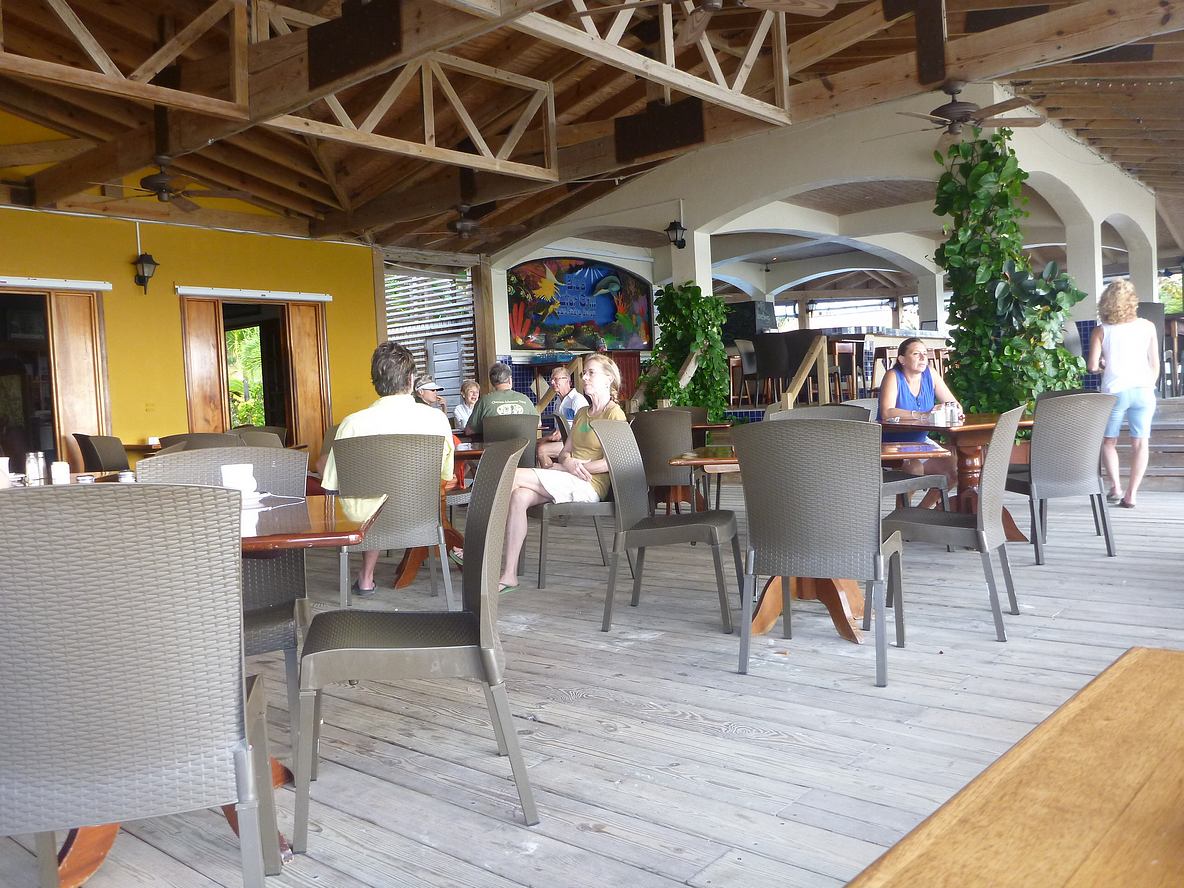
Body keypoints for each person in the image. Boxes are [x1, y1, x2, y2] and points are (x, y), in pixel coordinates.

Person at [451, 354, 625, 594]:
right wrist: (568, 463)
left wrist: (576, 467)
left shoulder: (614, 414)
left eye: (591, 372)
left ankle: (475, 548)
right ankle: (509, 575)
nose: (584, 377)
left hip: (590, 484)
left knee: (506, 475)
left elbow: (614, 461)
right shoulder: (583, 413)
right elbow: (564, 453)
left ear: (608, 378)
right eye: (584, 372)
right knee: (519, 496)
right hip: (569, 477)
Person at [321, 341, 455, 596]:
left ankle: (366, 577)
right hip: (421, 517)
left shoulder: (351, 425)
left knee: (372, 498)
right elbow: (445, 476)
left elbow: (331, 484)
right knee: (391, 496)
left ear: (375, 382)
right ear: (411, 379)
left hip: (365, 522)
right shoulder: (436, 419)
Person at [1088, 278, 1159, 509]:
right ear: (1132, 301)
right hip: (1144, 390)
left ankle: (1116, 488)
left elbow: (1092, 367)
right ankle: (1131, 495)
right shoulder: (1148, 326)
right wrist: (1149, 383)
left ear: (1106, 302)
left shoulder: (1101, 331)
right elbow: (1155, 364)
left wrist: (1104, 366)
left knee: (1109, 442)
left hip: (1115, 392)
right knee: (1140, 443)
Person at [877, 336, 962, 494]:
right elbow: (886, 412)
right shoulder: (893, 376)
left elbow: (954, 404)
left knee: (954, 469)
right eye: (916, 354)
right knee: (914, 468)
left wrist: (953, 411)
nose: (923, 357)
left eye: (925, 353)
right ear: (902, 359)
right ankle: (903, 508)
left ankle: (926, 507)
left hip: (920, 441)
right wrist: (922, 415)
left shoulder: (931, 374)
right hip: (892, 443)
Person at [537, 365, 589, 468]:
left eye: (556, 379)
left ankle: (551, 476)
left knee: (542, 450)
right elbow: (557, 430)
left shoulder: (577, 400)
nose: (552, 382)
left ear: (568, 381)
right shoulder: (557, 402)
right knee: (537, 444)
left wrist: (569, 433)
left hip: (577, 443)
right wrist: (549, 437)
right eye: (551, 380)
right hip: (562, 441)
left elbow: (586, 427)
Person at [463, 362, 535, 436]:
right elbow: (537, 424)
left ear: (492, 382)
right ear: (509, 380)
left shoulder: (484, 401)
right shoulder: (525, 399)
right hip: (524, 443)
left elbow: (469, 431)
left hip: (493, 443)